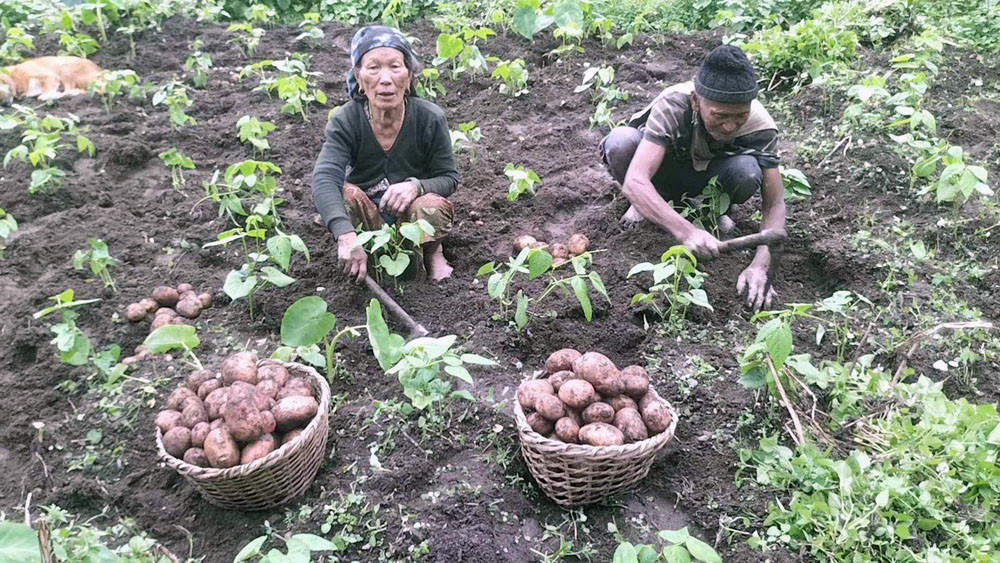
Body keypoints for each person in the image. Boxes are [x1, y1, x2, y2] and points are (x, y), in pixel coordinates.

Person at [599, 45, 786, 310]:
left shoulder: (761, 126)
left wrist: (760, 266)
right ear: (696, 101)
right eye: (720, 116)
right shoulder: (674, 104)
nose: (731, 126)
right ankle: (650, 203)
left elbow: (774, 203)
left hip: (712, 179)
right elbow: (636, 179)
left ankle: (711, 211)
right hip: (663, 172)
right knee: (621, 142)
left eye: (740, 116)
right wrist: (686, 231)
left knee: (747, 170)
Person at [312, 26, 459, 282]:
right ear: (358, 76)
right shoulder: (346, 120)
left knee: (431, 206)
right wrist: (344, 234)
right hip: (369, 217)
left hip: (413, 217)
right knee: (344, 194)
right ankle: (362, 250)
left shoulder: (430, 118)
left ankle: (433, 250)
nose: (385, 79)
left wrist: (415, 187)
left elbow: (448, 178)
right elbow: (325, 177)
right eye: (373, 68)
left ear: (409, 75)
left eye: (395, 66)